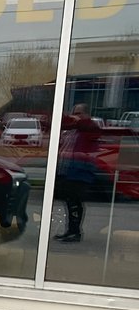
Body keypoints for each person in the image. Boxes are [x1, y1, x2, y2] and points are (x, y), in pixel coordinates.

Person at [54, 103, 101, 243]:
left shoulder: (89, 127)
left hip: (79, 171)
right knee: (69, 201)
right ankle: (71, 230)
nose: (75, 116)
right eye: (74, 113)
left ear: (86, 115)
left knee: (74, 200)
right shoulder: (73, 130)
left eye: (79, 113)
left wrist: (77, 120)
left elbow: (89, 128)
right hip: (67, 171)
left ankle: (75, 232)